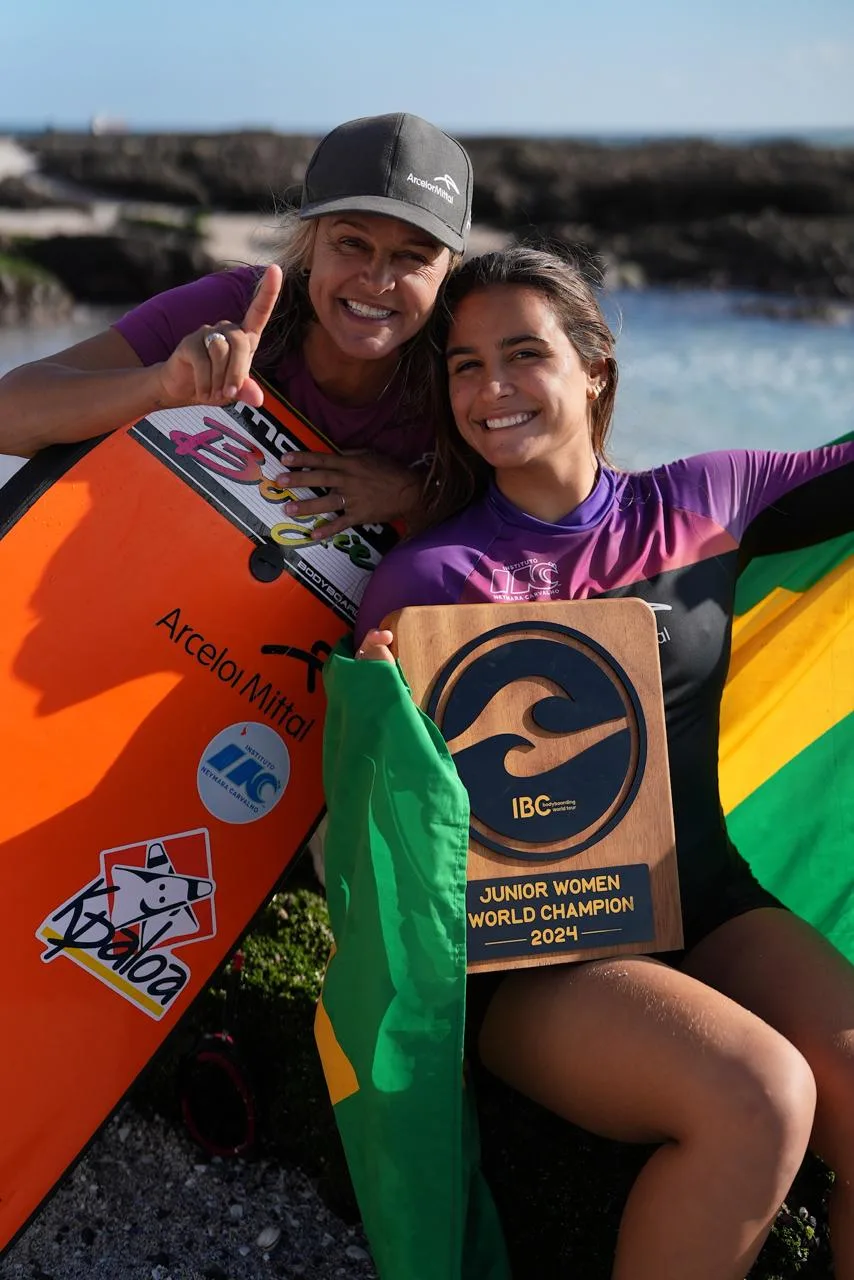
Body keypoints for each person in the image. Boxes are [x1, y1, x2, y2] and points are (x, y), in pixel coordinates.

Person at [352, 245, 854, 1280]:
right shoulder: (429, 576)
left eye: (521, 353)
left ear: (594, 368)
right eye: (462, 364)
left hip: (709, 901)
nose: (490, 387)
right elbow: (379, 829)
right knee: (759, 1095)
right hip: (539, 947)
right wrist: (375, 714)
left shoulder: (708, 496)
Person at [0, 111, 473, 535]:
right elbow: (9, 420)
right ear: (309, 243)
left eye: (412, 256)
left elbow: (537, 518)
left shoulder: (467, 360)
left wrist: (413, 493)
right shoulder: (233, 308)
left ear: (448, 271)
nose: (376, 279)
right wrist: (160, 387)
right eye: (351, 243)